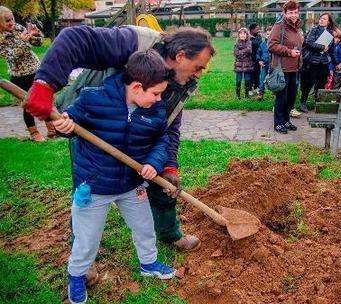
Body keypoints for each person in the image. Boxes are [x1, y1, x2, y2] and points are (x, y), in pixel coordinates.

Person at [25, 25, 215, 253]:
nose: (199, 74)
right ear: (180, 55)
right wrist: (45, 85)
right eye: (198, 67)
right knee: (87, 195)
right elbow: (74, 37)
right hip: (94, 124)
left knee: (162, 183)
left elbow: (169, 128)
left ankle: (169, 234)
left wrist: (170, 165)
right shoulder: (134, 42)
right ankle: (82, 257)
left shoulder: (181, 83)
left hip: (141, 128)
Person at [53, 49, 176, 304]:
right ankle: (76, 276)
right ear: (137, 86)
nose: (159, 99)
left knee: (144, 227)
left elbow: (161, 140)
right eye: (156, 93)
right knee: (87, 238)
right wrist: (64, 127)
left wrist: (153, 162)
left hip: (132, 184)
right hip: (95, 185)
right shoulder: (92, 100)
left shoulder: (154, 110)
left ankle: (148, 263)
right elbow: (69, 122)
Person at [0, 6, 55, 142]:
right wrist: (23, 42)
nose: (12, 22)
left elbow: (37, 43)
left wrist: (35, 35)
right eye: (7, 20)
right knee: (29, 104)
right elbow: (13, 56)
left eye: (12, 18)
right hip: (19, 76)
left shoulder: (18, 28)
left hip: (35, 70)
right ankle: (34, 132)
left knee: (42, 98)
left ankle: (52, 129)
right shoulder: (1, 39)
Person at [268, 0, 303, 134]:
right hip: (282, 69)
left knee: (291, 97)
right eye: (290, 13)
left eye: (295, 12)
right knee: (281, 98)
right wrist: (289, 51)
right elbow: (271, 45)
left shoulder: (298, 27)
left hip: (295, 68)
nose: (293, 15)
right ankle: (278, 123)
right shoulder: (279, 26)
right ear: (285, 13)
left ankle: (286, 121)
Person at [299, 12, 338, 112]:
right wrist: (322, 47)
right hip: (312, 61)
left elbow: (332, 50)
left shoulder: (330, 33)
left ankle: (317, 104)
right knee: (308, 83)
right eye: (321, 18)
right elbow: (309, 43)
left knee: (321, 84)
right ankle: (303, 103)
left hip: (324, 62)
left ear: (328, 22)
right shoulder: (314, 29)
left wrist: (337, 63)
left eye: (324, 19)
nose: (321, 20)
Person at [234, 27, 253, 99]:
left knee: (247, 80)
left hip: (247, 64)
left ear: (247, 35)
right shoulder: (236, 43)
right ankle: (237, 95)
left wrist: (241, 51)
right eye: (241, 33)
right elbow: (236, 53)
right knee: (238, 80)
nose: (242, 35)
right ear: (238, 35)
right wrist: (244, 52)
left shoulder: (249, 42)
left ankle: (247, 94)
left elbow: (249, 50)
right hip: (239, 65)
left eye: (244, 33)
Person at [255, 26, 272, 100]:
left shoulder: (275, 44)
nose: (269, 36)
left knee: (273, 79)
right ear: (265, 34)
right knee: (262, 79)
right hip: (265, 65)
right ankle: (261, 93)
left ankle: (275, 93)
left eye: (271, 34)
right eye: (268, 34)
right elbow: (258, 53)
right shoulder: (262, 44)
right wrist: (259, 60)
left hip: (273, 65)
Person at [249, 23, 262, 95]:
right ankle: (250, 88)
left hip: (257, 59)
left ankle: (257, 87)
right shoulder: (247, 37)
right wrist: (252, 41)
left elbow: (258, 44)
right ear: (252, 30)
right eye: (257, 29)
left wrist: (252, 40)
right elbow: (250, 45)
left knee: (257, 73)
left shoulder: (259, 36)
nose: (258, 30)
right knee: (250, 74)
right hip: (249, 59)